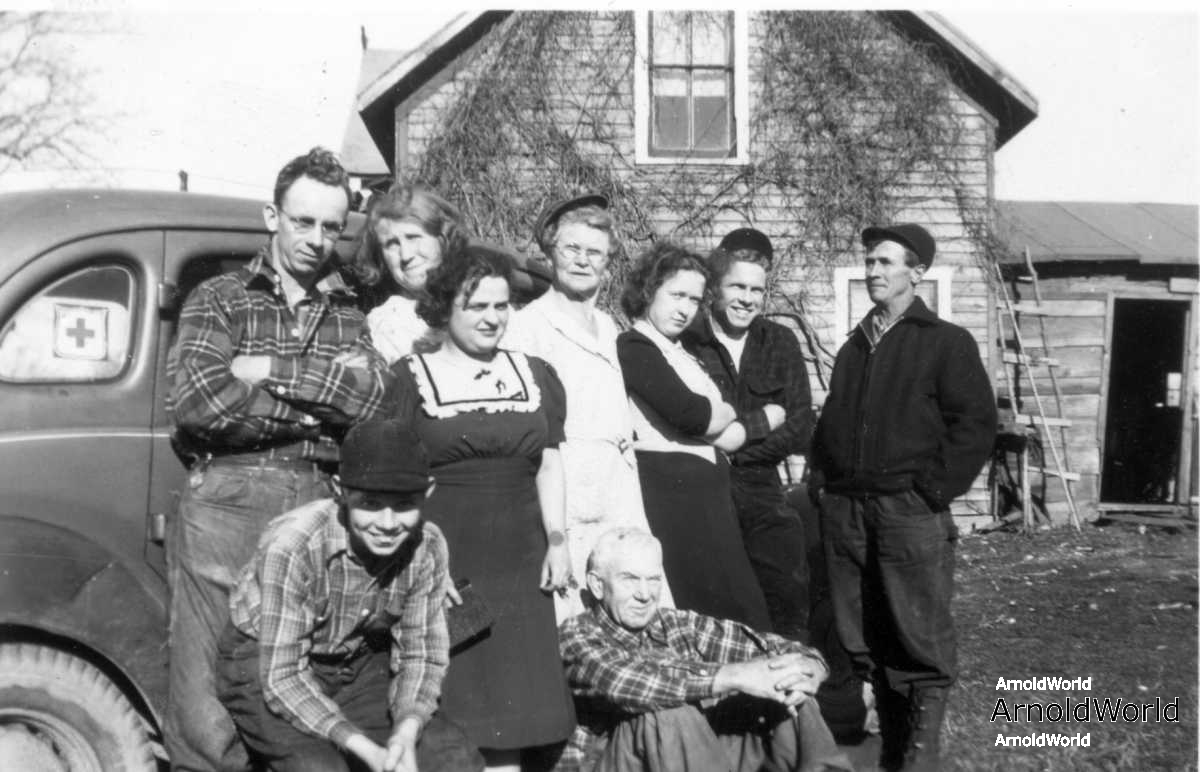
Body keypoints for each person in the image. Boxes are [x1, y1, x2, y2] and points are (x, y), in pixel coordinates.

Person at [166, 147, 391, 771]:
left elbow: (373, 400)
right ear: (273, 217)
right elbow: (202, 402)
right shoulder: (220, 297)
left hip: (318, 501)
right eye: (302, 222)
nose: (316, 240)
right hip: (228, 500)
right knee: (206, 702)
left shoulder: (350, 311)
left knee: (298, 684)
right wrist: (322, 405)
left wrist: (266, 367)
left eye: (331, 227)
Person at [809, 223, 997, 771]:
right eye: (869, 262)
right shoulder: (855, 345)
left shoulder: (944, 342)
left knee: (918, 637)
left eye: (886, 262)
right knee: (866, 639)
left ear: (917, 273)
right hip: (848, 513)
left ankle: (921, 756)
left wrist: (929, 492)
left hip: (906, 513)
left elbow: (975, 425)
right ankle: (891, 753)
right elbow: (833, 420)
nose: (873, 271)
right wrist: (822, 481)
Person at [386, 242, 576, 766]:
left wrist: (558, 540)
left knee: (519, 707)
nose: (492, 318)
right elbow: (397, 481)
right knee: (462, 706)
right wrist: (422, 557)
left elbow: (550, 463)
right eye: (476, 306)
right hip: (452, 558)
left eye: (501, 305)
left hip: (523, 559)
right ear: (445, 307)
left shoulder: (535, 375)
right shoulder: (408, 378)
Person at [215, 419, 483, 772]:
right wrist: (367, 750)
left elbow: (421, 654)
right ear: (340, 491)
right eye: (370, 503)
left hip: (354, 661)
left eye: (404, 504)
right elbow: (283, 676)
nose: (388, 524)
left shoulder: (427, 545)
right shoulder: (294, 544)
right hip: (264, 660)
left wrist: (405, 732)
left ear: (427, 492)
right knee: (320, 767)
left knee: (452, 757)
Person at [557, 528, 853, 772]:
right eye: (630, 579)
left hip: (690, 759)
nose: (645, 594)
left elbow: (772, 645)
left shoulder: (673, 623)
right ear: (597, 586)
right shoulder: (576, 635)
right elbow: (635, 685)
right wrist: (735, 676)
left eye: (653, 580)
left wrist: (810, 667)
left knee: (785, 681)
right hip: (605, 761)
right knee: (666, 713)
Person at [504, 193, 668, 620]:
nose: (581, 260)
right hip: (565, 487)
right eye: (571, 249)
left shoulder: (610, 327)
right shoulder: (527, 327)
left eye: (593, 252)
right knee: (572, 611)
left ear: (607, 264)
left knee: (631, 602)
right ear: (550, 252)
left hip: (619, 487)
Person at [616, 242, 771, 631]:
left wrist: (718, 417)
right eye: (677, 295)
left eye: (695, 300)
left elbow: (728, 437)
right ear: (649, 291)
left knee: (741, 610)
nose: (685, 309)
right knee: (708, 613)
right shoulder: (635, 346)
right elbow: (692, 414)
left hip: (709, 501)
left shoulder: (682, 354)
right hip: (675, 500)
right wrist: (728, 411)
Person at [681, 227, 816, 642]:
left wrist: (737, 449)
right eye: (736, 286)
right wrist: (756, 427)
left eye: (756, 290)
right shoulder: (688, 341)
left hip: (762, 488)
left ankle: (789, 671)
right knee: (713, 600)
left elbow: (800, 424)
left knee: (786, 590)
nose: (746, 299)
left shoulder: (780, 341)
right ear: (715, 289)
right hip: (703, 487)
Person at [351, 183, 469, 364]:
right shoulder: (389, 323)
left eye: (413, 237)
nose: (406, 255)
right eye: (391, 244)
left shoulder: (483, 297)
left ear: (443, 238)